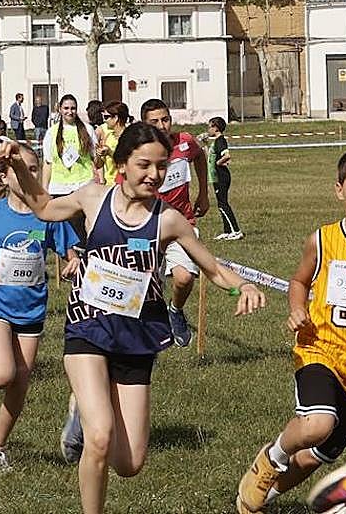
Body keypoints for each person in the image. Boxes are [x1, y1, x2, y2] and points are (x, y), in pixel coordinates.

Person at [0, 122, 265, 514]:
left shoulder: (168, 220)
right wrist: (20, 167)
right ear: (122, 163)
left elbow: (210, 266)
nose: (154, 174)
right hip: (87, 326)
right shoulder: (93, 198)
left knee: (130, 463)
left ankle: (85, 412)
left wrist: (242, 286)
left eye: (162, 165)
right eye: (144, 165)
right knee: (100, 437)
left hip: (136, 336)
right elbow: (43, 207)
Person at [235, 148, 346, 513]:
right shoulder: (322, 239)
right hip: (319, 347)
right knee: (317, 424)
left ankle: (258, 498)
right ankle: (272, 457)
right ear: (339, 190)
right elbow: (299, 281)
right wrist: (297, 309)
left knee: (318, 455)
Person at [0, 144, 79, 470]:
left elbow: (70, 252)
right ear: (5, 176)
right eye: (21, 169)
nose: (27, 175)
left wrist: (73, 262)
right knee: (1, 376)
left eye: (34, 169)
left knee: (21, 380)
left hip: (32, 308)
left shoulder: (48, 215)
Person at [141, 99, 209, 348]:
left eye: (165, 119)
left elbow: (199, 156)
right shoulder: (139, 150)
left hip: (181, 223)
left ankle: (175, 310)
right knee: (143, 283)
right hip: (146, 225)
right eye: (155, 122)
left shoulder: (185, 142)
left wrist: (204, 193)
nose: (162, 125)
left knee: (184, 278)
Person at [43, 95, 98, 201]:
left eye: (73, 108)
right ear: (60, 109)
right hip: (59, 188)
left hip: (83, 185)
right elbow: (48, 163)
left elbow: (95, 158)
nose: (70, 111)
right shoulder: (51, 132)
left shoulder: (88, 129)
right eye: (66, 108)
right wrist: (45, 188)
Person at [208, 116, 243, 240]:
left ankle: (236, 231)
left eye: (210, 127)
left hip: (221, 176)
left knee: (223, 204)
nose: (208, 129)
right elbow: (211, 156)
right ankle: (227, 231)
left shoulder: (220, 141)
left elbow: (227, 156)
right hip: (216, 177)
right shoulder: (216, 142)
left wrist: (218, 163)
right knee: (220, 204)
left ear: (216, 128)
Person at [95, 101, 130, 186]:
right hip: (108, 183)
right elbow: (100, 164)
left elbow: (128, 162)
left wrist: (110, 152)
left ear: (116, 118)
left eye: (106, 117)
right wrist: (99, 155)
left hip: (124, 183)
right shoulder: (108, 135)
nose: (104, 120)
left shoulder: (129, 137)